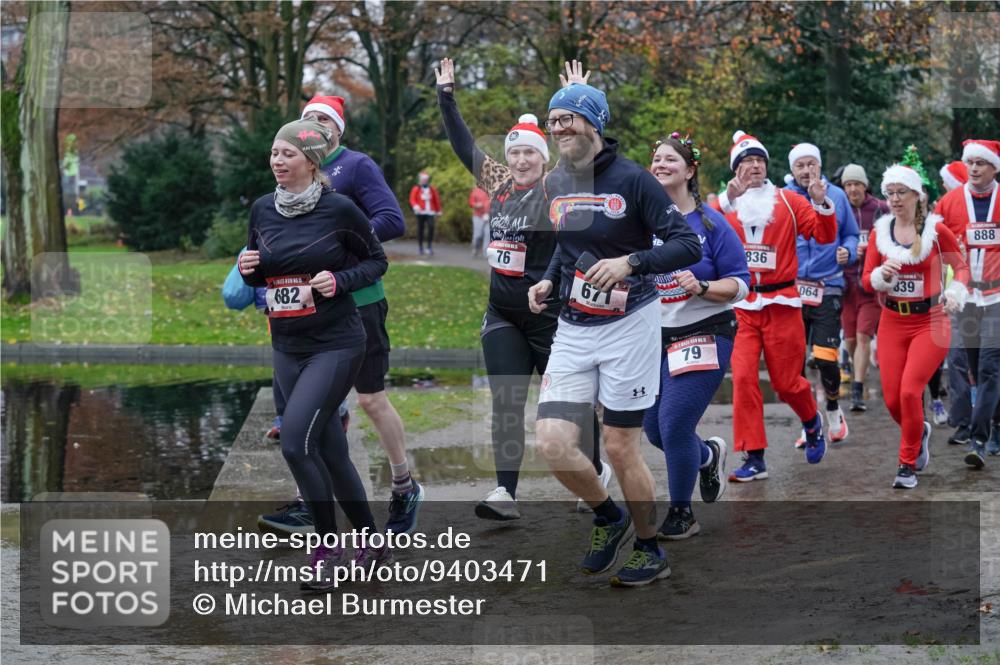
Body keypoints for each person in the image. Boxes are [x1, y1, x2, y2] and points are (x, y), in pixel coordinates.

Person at [528, 73, 702, 587]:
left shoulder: (634, 180)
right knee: (552, 443)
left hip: (630, 324)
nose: (558, 127)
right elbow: (566, 245)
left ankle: (650, 548)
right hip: (575, 327)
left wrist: (632, 262)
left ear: (593, 123)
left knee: (621, 445)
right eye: (553, 119)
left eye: (568, 118)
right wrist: (547, 281)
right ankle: (610, 516)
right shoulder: (556, 181)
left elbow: (686, 244)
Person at [435, 58, 610, 520]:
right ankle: (504, 493)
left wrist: (578, 105)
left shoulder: (557, 185)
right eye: (514, 153)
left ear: (544, 156)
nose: (520, 159)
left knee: (567, 406)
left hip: (551, 317)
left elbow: (587, 154)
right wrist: (446, 97)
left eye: (529, 152)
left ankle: (594, 472)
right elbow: (463, 145)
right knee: (506, 401)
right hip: (502, 314)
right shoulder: (499, 186)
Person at [258, 95, 422, 538]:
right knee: (307, 416)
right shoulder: (289, 169)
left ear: (337, 129)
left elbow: (391, 220)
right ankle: (311, 503)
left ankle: (404, 486)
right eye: (308, 118)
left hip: (359, 298)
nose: (314, 124)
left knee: (369, 399)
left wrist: (341, 250)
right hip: (302, 313)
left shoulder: (356, 166)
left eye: (324, 120)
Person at [239, 119, 390, 588]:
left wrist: (339, 280)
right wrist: (250, 270)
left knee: (294, 441)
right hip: (286, 344)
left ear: (311, 161)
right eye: (273, 153)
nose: (277, 162)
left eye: (287, 154)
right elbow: (263, 274)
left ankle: (328, 549)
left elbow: (376, 262)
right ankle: (371, 540)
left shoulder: (340, 209)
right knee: (330, 448)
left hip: (337, 343)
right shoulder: (263, 209)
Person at [714, 131, 838, 481]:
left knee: (786, 383)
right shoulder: (725, 205)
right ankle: (754, 456)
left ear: (767, 166)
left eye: (759, 160)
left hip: (783, 302)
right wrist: (726, 199)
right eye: (746, 161)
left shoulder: (788, 201)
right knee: (743, 378)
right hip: (741, 305)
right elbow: (698, 231)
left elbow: (825, 235)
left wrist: (820, 203)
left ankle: (812, 420)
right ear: (736, 169)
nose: (753, 166)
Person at [643, 132, 749, 539]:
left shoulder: (711, 223)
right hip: (655, 336)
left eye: (670, 159)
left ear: (690, 171)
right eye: (656, 159)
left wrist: (702, 287)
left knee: (672, 425)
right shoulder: (645, 221)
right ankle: (707, 456)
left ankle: (682, 512)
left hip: (706, 331)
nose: (661, 165)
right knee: (654, 430)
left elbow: (742, 284)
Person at [862, 164, 970, 488]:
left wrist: (954, 292)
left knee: (911, 391)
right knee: (894, 400)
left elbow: (961, 268)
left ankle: (906, 464)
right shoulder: (879, 233)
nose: (894, 199)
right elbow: (867, 279)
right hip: (893, 321)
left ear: (917, 196)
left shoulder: (937, 231)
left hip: (931, 321)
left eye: (901, 192)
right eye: (890, 193)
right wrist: (882, 276)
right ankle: (919, 430)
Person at [784, 144, 859, 446]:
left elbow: (852, 234)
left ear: (820, 165)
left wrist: (849, 251)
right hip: (791, 288)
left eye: (811, 164)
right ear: (792, 170)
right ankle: (808, 421)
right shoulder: (783, 199)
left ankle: (831, 406)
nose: (805, 171)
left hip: (829, 285)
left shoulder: (837, 196)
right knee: (794, 363)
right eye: (800, 165)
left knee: (827, 357)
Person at [935, 139, 1000, 465]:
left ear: (994, 168)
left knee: (990, 367)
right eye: (970, 162)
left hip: (998, 295)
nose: (974, 168)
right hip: (967, 297)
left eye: (981, 163)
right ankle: (996, 423)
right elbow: (928, 239)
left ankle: (978, 438)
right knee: (977, 369)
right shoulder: (948, 203)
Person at [839, 163, 889, 413]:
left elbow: (893, 238)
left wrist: (872, 251)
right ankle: (856, 367)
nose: (852, 189)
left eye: (856, 184)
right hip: (846, 286)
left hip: (870, 288)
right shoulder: (840, 209)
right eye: (848, 185)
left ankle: (857, 389)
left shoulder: (881, 209)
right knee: (849, 339)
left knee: (863, 336)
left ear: (865, 185)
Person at [409, 171, 442, 255]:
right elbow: (412, 199)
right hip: (420, 212)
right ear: (420, 180)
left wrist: (438, 210)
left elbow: (436, 200)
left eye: (426, 179)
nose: (424, 181)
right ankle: (420, 247)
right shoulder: (416, 188)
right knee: (421, 229)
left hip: (430, 211)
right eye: (423, 179)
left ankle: (429, 246)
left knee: (431, 227)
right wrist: (416, 206)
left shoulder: (432, 188)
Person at [469, 186, 490, 257]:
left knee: (488, 234)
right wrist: (476, 205)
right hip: (478, 216)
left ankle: (486, 253)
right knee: (478, 235)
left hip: (490, 216)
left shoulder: (493, 189)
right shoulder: (476, 190)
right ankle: (476, 248)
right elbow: (471, 202)